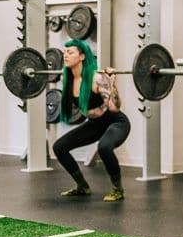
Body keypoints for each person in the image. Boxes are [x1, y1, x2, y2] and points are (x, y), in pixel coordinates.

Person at [53, 39, 130, 202]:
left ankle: (118, 189)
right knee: (59, 147)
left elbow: (114, 108)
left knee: (104, 147)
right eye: (64, 52)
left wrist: (112, 81)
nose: (65, 55)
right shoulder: (67, 79)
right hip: (94, 125)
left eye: (70, 52)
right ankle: (82, 186)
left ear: (81, 57)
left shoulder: (97, 79)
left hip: (115, 122)